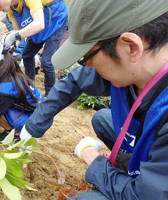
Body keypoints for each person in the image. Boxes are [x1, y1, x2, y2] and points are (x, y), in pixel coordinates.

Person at [18, 0, 168, 199]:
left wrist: (95, 161)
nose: (85, 65)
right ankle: (132, 162)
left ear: (131, 47)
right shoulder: (136, 66)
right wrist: (33, 127)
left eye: (86, 57)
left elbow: (142, 196)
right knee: (102, 118)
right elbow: (73, 81)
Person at [0, 0, 68, 97]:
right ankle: (30, 85)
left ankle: (51, 92)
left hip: (56, 21)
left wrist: (16, 36)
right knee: (27, 56)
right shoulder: (11, 8)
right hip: (39, 26)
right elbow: (18, 31)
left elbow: (39, 24)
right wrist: (13, 45)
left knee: (46, 61)